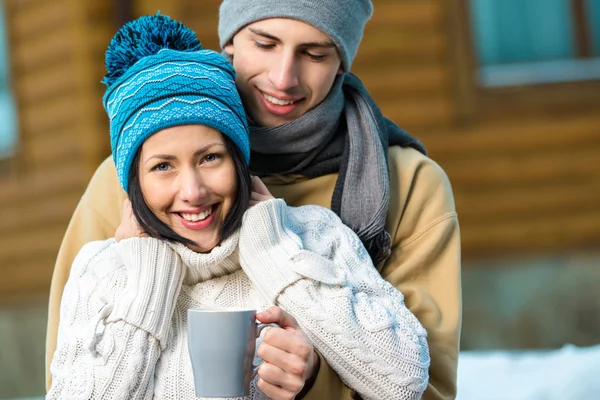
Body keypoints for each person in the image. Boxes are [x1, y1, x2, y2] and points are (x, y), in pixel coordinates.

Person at [46, 1, 462, 399]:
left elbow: (422, 386)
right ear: (228, 43)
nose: (283, 77)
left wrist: (314, 381)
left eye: (314, 53)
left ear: (341, 64)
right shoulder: (125, 184)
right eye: (265, 44)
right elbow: (74, 371)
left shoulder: (399, 187)